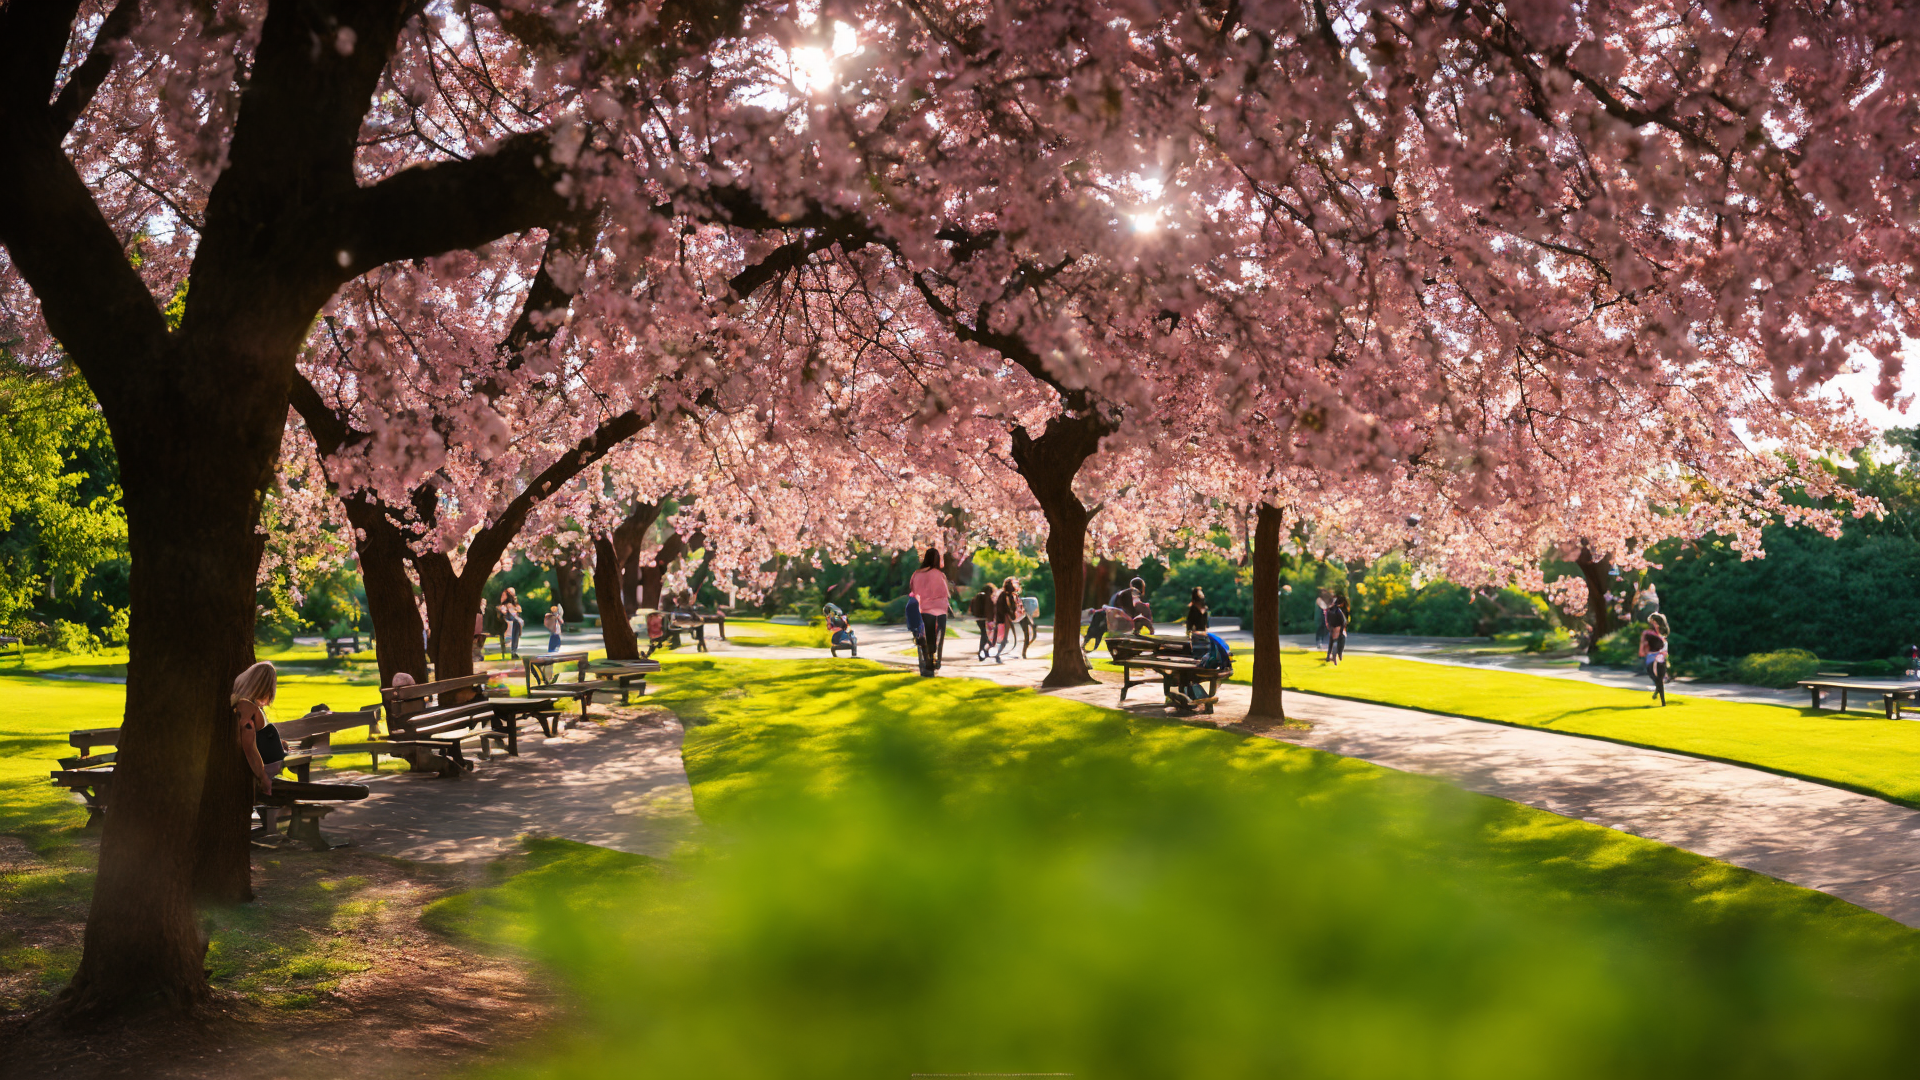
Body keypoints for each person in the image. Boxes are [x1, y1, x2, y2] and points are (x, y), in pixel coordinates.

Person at [234, 661, 288, 839]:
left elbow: (259, 738)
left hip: (269, 766)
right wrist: (263, 777)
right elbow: (249, 747)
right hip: (264, 771)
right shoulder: (247, 709)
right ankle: (274, 826)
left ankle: (273, 824)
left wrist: (277, 742)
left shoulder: (248, 705)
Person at [907, 547, 951, 666]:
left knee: (929, 633)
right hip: (941, 608)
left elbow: (914, 590)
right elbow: (945, 592)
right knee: (940, 634)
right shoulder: (939, 574)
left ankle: (929, 657)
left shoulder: (917, 574)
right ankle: (938, 658)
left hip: (925, 607)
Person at [1639, 612, 1672, 706]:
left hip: (1658, 657)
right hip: (1655, 657)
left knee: (1658, 679)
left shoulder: (1658, 633)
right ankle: (1659, 693)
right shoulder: (1650, 633)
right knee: (1657, 679)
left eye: (1652, 621)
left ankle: (1663, 701)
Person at [991, 577, 1020, 662]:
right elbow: (1010, 608)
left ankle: (997, 653)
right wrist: (1011, 614)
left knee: (1001, 638)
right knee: (1004, 639)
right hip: (1006, 618)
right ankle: (997, 655)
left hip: (1001, 618)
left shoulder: (1002, 595)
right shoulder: (1008, 596)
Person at [973, 581, 1000, 660]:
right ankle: (982, 652)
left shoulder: (978, 596)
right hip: (985, 619)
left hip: (979, 618)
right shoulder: (987, 597)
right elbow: (989, 609)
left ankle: (984, 652)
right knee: (986, 635)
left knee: (984, 634)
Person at [498, 587, 523, 656]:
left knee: (517, 623)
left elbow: (518, 610)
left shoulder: (512, 605)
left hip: (511, 623)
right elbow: (505, 612)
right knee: (516, 623)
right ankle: (513, 651)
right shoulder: (505, 606)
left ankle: (513, 651)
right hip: (505, 624)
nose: (502, 597)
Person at [1324, 593, 1349, 664]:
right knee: (1337, 639)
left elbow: (1342, 622)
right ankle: (1335, 654)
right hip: (1335, 628)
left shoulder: (1330, 611)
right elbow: (1344, 621)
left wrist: (1339, 629)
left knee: (1333, 640)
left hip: (1336, 627)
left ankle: (1332, 654)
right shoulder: (1337, 611)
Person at [1018, 589, 1040, 658]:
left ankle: (1024, 652)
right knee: (1029, 636)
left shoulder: (1027, 603)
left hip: (1026, 618)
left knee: (1031, 636)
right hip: (1024, 618)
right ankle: (1023, 653)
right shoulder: (1023, 603)